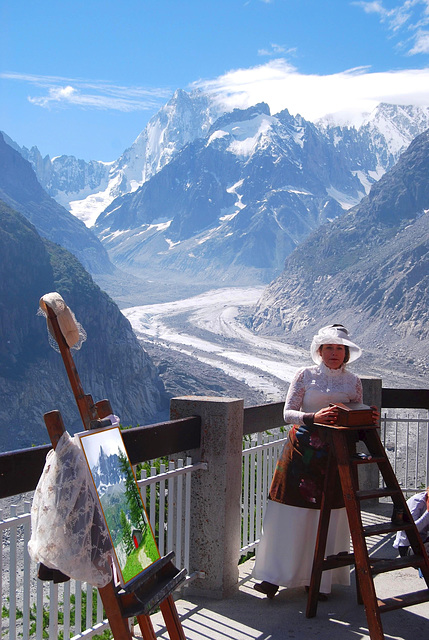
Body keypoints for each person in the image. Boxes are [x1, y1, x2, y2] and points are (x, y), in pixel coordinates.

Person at [253, 324, 378, 599]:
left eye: (339, 348)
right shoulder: (304, 375)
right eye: (329, 347)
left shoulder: (353, 381)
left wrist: (367, 418)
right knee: (290, 512)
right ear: (320, 351)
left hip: (336, 455)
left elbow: (355, 414)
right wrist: (314, 418)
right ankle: (274, 576)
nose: (334, 353)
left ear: (346, 353)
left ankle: (317, 578)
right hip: (301, 453)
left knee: (329, 514)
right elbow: (288, 413)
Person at [393, 488, 429, 561]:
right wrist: (428, 512)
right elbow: (413, 529)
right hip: (408, 546)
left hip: (423, 541)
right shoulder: (417, 501)